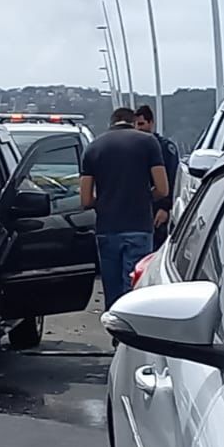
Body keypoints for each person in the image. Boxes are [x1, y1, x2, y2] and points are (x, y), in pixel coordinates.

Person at [81, 107, 171, 313]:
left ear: (112, 122)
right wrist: (146, 198)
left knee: (112, 289)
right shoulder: (148, 143)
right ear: (132, 122)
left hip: (107, 227)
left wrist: (104, 202)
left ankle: (115, 332)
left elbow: (85, 199)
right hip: (139, 224)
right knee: (134, 287)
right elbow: (163, 188)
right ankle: (131, 333)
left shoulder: (94, 147)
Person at [134, 105, 179, 250]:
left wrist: (165, 208)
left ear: (151, 123)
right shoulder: (131, 147)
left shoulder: (164, 148)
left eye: (141, 124)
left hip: (157, 210)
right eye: (135, 124)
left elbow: (172, 178)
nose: (137, 128)